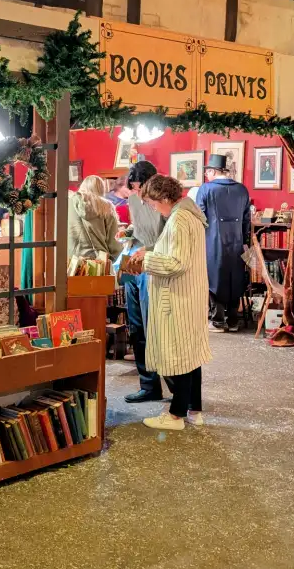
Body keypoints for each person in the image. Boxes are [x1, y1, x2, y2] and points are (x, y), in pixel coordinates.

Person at [128, 175, 212, 431]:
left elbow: (176, 263)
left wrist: (145, 262)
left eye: (154, 203)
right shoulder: (189, 215)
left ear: (164, 198)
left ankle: (176, 415)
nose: (154, 208)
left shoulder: (179, 219)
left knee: (179, 357)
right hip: (189, 294)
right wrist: (152, 252)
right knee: (191, 355)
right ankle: (193, 410)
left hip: (178, 297)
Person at [123, 161, 166, 403]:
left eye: (141, 187)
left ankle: (175, 386)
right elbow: (138, 229)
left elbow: (166, 238)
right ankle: (148, 385)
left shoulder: (162, 204)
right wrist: (128, 234)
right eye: (134, 187)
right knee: (137, 327)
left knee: (156, 328)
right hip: (135, 264)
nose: (137, 192)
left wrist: (147, 249)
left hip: (154, 265)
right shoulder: (132, 200)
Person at [197, 153, 251, 333]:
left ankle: (218, 320)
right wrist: (246, 242)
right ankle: (234, 320)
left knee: (214, 277)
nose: (206, 176)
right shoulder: (242, 189)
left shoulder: (206, 189)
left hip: (212, 240)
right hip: (237, 242)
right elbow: (246, 220)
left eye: (207, 172)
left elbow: (199, 218)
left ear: (213, 171)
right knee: (235, 277)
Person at [68, 175, 123, 261]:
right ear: (101, 190)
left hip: (71, 261)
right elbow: (114, 242)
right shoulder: (107, 207)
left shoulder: (67, 203)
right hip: (99, 261)